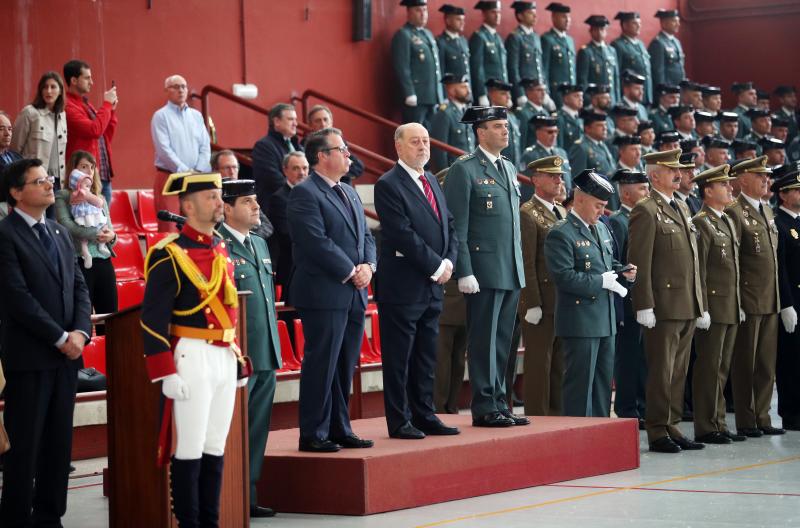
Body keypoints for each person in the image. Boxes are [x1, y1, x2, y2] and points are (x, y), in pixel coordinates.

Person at [140, 172, 249, 526]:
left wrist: (236, 358)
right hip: (190, 355)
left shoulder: (219, 247)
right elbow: (152, 320)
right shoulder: (168, 254)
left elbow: (229, 310)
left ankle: (209, 522)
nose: (220, 203)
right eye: (211, 197)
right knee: (189, 448)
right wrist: (164, 371)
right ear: (187, 206)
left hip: (221, 354)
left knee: (215, 446)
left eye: (219, 196)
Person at [0, 158, 92, 527]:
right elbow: (17, 297)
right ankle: (17, 518)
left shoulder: (57, 231)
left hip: (66, 359)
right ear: (16, 192)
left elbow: (80, 288)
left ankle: (49, 516)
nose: (48, 185)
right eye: (39, 181)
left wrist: (80, 333)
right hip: (31, 357)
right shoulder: (5, 235)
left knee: (58, 444)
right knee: (25, 445)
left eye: (49, 179)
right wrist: (58, 337)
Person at [288, 128, 376, 452]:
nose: (348, 155)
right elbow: (315, 242)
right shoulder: (304, 193)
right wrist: (351, 271)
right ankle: (313, 432)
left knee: (344, 364)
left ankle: (340, 427)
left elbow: (366, 236)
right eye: (342, 149)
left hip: (354, 292)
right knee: (322, 363)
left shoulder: (349, 192)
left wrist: (369, 266)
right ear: (322, 156)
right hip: (324, 292)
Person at [443, 105, 528, 427]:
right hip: (483, 270)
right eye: (497, 126)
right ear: (480, 132)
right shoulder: (464, 170)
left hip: (509, 269)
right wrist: (464, 270)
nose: (505, 130)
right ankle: (484, 405)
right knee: (483, 340)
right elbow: (458, 226)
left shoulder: (506, 167)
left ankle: (500, 402)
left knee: (504, 341)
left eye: (505, 125)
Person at [374, 123, 459, 439]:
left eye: (426, 141)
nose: (423, 147)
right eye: (415, 142)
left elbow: (449, 225)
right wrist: (437, 266)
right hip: (404, 286)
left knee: (426, 355)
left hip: (433, 285)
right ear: (398, 146)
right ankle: (399, 420)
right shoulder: (388, 184)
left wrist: (450, 261)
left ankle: (424, 414)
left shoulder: (432, 180)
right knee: (399, 358)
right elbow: (401, 234)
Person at [628, 148, 705, 453]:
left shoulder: (683, 208)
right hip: (663, 305)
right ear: (654, 175)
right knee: (661, 370)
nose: (678, 174)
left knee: (678, 371)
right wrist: (643, 303)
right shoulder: (645, 210)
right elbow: (638, 261)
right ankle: (658, 429)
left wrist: (700, 303)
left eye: (678, 169)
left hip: (686, 302)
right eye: (670, 169)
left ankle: (672, 424)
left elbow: (693, 260)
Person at [545, 169, 635, 417]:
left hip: (605, 320)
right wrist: (601, 282)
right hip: (580, 320)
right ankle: (576, 440)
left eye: (605, 206)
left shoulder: (603, 229)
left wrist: (622, 271)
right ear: (580, 198)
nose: (601, 211)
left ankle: (599, 437)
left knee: (602, 388)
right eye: (598, 205)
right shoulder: (561, 233)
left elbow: (608, 264)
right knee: (579, 387)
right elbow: (563, 277)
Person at [218, 178, 281, 519]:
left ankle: (248, 492)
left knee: (257, 427)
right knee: (230, 428)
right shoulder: (219, 246)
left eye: (256, 201)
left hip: (264, 352)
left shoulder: (260, 244)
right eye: (247, 202)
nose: (256, 207)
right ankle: (227, 491)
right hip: (237, 356)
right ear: (226, 208)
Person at [725, 156, 785, 437]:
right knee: (745, 363)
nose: (766, 180)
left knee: (765, 363)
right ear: (742, 179)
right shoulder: (735, 212)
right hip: (749, 299)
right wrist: (737, 301)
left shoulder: (768, 211)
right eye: (759, 175)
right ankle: (747, 419)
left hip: (770, 299)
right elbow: (734, 262)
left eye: (766, 176)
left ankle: (763, 415)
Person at [690, 164, 746, 444]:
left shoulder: (724, 219)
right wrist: (703, 308)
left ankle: (719, 421)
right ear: (708, 191)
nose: (730, 188)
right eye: (724, 185)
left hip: (730, 305)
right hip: (713, 305)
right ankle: (706, 425)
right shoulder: (702, 222)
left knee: (722, 367)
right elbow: (699, 269)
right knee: (709, 366)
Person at [518, 156, 567, 416]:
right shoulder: (528, 213)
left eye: (560, 175)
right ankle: (537, 416)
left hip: (561, 298)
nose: (559, 180)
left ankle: (556, 415)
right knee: (540, 363)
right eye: (552, 175)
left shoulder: (559, 210)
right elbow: (526, 262)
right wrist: (532, 302)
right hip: (542, 300)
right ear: (536, 180)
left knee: (558, 363)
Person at [54, 150, 117, 332]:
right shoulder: (63, 196)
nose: (89, 171)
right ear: (73, 170)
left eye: (92, 167)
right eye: (83, 167)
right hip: (80, 262)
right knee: (83, 319)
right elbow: (67, 226)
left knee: (110, 319)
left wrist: (112, 237)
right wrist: (95, 234)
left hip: (104, 262)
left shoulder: (100, 198)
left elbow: (111, 229)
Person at [609, 169, 650, 428]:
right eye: (642, 189)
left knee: (643, 357)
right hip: (628, 299)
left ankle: (642, 406)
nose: (647, 192)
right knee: (629, 357)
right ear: (625, 192)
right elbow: (620, 262)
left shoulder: (641, 217)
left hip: (644, 298)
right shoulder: (618, 220)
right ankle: (627, 408)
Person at [151, 74, 211, 231]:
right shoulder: (161, 116)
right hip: (169, 177)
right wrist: (185, 171)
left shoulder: (196, 116)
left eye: (184, 86)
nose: (181, 90)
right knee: (169, 227)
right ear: (166, 90)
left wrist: (197, 170)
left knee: (196, 225)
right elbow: (163, 149)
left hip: (195, 178)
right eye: (176, 87)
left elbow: (205, 146)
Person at [433, 167, 468, 415]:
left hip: (464, 292)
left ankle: (450, 406)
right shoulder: (435, 215)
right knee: (441, 357)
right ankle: (439, 407)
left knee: (457, 357)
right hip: (445, 288)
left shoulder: (461, 214)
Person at [63, 59, 117, 206]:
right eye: (87, 78)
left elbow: (105, 135)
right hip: (84, 177)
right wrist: (106, 105)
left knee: (104, 222)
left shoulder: (85, 104)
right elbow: (95, 130)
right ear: (73, 80)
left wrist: (111, 111)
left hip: (100, 173)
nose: (91, 82)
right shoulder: (68, 105)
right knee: (88, 220)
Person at [772, 167, 800, 430]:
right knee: (790, 359)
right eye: (797, 190)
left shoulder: (798, 222)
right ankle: (790, 412)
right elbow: (779, 268)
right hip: (791, 298)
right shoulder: (779, 223)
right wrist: (786, 304)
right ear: (783, 194)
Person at [11, 72, 68, 192]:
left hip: (57, 181)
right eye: (45, 87)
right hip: (34, 180)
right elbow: (15, 150)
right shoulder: (30, 113)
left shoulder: (62, 116)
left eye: (53, 87)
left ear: (60, 91)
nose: (48, 91)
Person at [392, 0, 443, 128]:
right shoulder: (404, 34)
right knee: (414, 135)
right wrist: (409, 92)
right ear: (408, 12)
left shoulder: (428, 34)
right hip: (417, 97)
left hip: (432, 95)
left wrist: (441, 93)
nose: (423, 14)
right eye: (418, 10)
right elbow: (402, 67)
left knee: (430, 136)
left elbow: (436, 67)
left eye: (425, 10)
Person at [210, 149, 274, 242]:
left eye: (235, 167)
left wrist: (248, 237)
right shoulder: (211, 197)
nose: (232, 172)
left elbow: (267, 226)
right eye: (227, 168)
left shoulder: (246, 193)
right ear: (215, 170)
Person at [267, 152, 309, 290]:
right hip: (292, 270)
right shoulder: (278, 199)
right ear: (285, 170)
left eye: (305, 168)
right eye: (296, 168)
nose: (302, 173)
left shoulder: (315, 195)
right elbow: (288, 235)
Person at [252, 103, 303, 208]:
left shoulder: (297, 145)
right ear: (277, 121)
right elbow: (273, 179)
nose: (295, 124)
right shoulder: (263, 146)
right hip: (277, 207)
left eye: (295, 119)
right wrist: (302, 192)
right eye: (290, 119)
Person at [305, 105, 364, 185]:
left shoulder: (340, 142)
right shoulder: (304, 147)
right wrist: (339, 169)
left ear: (331, 121)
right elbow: (310, 171)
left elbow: (358, 167)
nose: (323, 124)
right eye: (318, 121)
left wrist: (337, 171)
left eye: (325, 119)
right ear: (310, 125)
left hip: (344, 187)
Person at [430, 74, 474, 172]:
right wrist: (443, 175)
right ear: (451, 90)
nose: (469, 91)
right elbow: (439, 151)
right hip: (454, 172)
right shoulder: (445, 114)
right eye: (463, 87)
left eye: (468, 87)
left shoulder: (467, 112)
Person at [520, 115, 572, 194]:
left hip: (564, 201)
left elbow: (567, 180)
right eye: (550, 132)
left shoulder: (562, 152)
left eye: (556, 131)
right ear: (538, 133)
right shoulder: (530, 155)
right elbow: (528, 185)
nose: (554, 135)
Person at [469, 1, 507, 107]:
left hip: (499, 93)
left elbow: (503, 68)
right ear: (484, 14)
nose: (497, 15)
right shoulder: (479, 37)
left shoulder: (497, 38)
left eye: (499, 12)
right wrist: (482, 93)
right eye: (493, 12)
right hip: (489, 93)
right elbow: (477, 68)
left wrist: (506, 92)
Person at [505, 2, 543, 107]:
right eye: (530, 13)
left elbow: (540, 67)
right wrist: (519, 93)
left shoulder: (536, 36)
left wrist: (545, 91)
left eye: (535, 13)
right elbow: (513, 68)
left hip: (538, 92)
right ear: (520, 16)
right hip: (526, 91)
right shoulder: (515, 37)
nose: (535, 16)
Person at [577, 15, 619, 105]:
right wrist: (589, 101)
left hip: (611, 100)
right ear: (591, 31)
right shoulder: (586, 51)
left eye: (602, 29)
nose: (600, 33)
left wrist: (617, 99)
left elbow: (616, 78)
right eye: (596, 30)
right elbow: (583, 80)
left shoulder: (611, 51)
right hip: (595, 101)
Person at [612, 12, 652, 105]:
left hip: (645, 94)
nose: (638, 26)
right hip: (629, 96)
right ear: (625, 25)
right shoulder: (618, 45)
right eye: (635, 23)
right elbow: (618, 74)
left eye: (640, 23)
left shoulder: (640, 44)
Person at [541, 2, 576, 106]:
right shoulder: (547, 39)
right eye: (563, 17)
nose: (567, 20)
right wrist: (546, 92)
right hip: (556, 92)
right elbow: (544, 69)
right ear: (554, 18)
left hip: (571, 93)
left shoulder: (570, 40)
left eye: (569, 17)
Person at [486, 79, 522, 169]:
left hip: (513, 169)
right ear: (491, 95)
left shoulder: (512, 117)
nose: (508, 96)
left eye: (508, 93)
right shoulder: (487, 118)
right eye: (503, 93)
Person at [569, 110, 614, 177]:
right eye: (599, 125)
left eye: (605, 125)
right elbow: (578, 178)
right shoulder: (581, 147)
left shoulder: (603, 145)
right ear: (588, 128)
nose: (605, 128)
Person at [648, 9, 685, 87]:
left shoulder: (676, 42)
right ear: (664, 23)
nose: (678, 24)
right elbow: (658, 71)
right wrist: (663, 90)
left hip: (678, 87)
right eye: (674, 21)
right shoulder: (658, 43)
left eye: (678, 21)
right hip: (668, 90)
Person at [436, 5, 470, 84]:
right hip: (451, 90)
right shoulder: (441, 42)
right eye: (458, 19)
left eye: (463, 20)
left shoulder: (463, 41)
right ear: (448, 21)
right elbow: (441, 71)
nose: (462, 23)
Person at [515, 78, 549, 150]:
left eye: (544, 90)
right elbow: (522, 142)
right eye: (539, 90)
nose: (543, 93)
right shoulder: (523, 113)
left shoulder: (545, 112)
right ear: (528, 92)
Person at [556, 83, 583, 150]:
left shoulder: (579, 118)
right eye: (576, 96)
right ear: (566, 99)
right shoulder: (560, 119)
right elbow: (559, 146)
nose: (581, 99)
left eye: (581, 96)